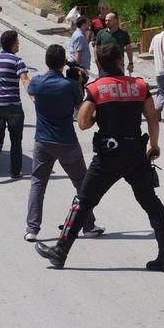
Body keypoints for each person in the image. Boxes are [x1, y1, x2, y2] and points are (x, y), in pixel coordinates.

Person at [34, 44, 164, 272]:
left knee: (82, 202)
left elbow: (82, 123)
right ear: (120, 61)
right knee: (151, 202)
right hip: (135, 154)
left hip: (107, 157)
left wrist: (97, 115)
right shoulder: (139, 86)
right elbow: (152, 118)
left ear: (99, 64)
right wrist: (154, 145)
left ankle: (60, 252)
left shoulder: (97, 88)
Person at [25, 44, 105, 242]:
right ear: (63, 63)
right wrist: (78, 82)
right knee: (82, 183)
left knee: (38, 184)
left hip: (43, 141)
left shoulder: (37, 82)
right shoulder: (69, 86)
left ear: (46, 61)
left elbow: (30, 88)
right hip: (66, 141)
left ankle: (32, 229)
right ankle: (88, 225)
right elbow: (81, 108)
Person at [0, 31, 30, 180]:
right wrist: (35, 96)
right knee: (16, 140)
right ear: (12, 44)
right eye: (17, 42)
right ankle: (15, 172)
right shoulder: (17, 61)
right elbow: (25, 80)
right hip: (12, 106)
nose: (19, 45)